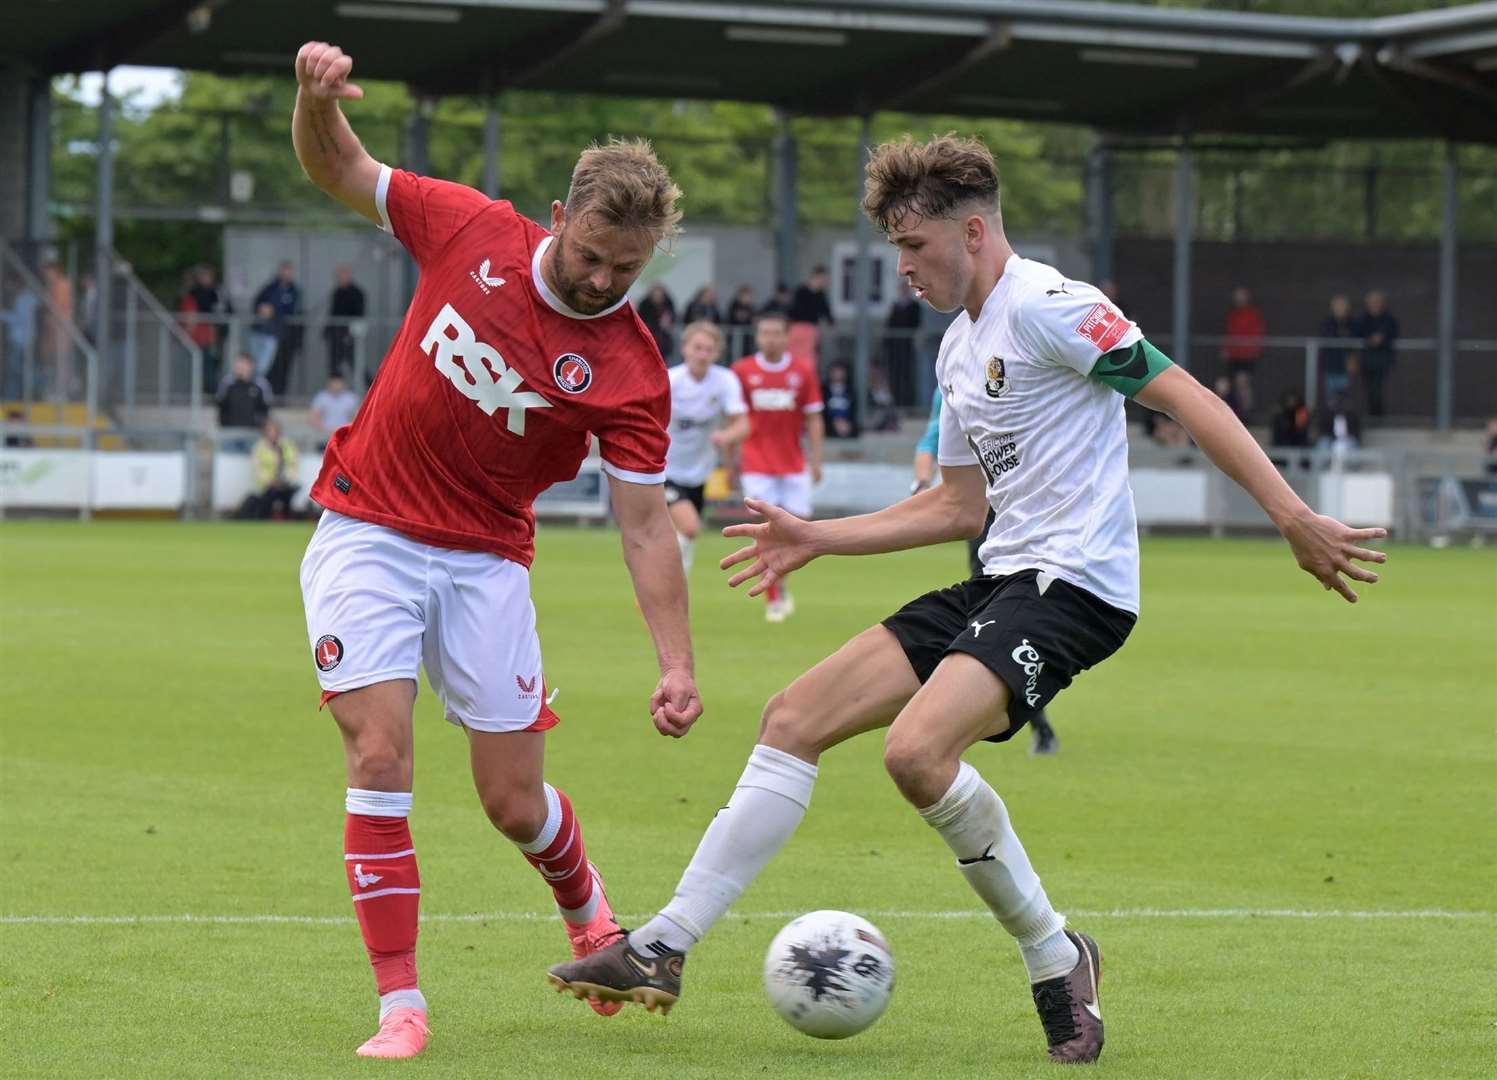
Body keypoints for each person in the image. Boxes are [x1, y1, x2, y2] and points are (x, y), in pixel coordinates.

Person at [548, 133, 1386, 1065]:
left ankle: (1054, 953)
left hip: (1076, 588)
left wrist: (1292, 516)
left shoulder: (1055, 308)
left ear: (975, 231)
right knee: (792, 717)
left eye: (913, 248)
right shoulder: (958, 349)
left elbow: (1184, 395)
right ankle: (662, 947)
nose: (900, 268)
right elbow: (956, 505)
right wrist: (819, 536)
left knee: (915, 753)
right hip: (1000, 578)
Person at [290, 40, 702, 1060]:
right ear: (558, 219)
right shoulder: (466, 225)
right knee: (379, 750)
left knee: (512, 801)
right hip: (368, 529)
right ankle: (402, 1004)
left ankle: (584, 901)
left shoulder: (634, 373)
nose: (602, 280)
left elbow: (646, 523)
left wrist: (678, 662)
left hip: (486, 564)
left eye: (625, 270)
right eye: (589, 255)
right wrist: (313, 100)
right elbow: (340, 166)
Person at [912, 386, 1059, 756]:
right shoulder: (952, 379)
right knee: (986, 610)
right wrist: (921, 481)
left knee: (1018, 616)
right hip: (982, 511)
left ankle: (1025, 716)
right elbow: (931, 437)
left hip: (1026, 510)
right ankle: (1030, 720)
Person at [729, 311, 824, 623]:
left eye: (775, 333)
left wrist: (816, 460)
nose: (770, 338)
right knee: (766, 533)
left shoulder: (802, 371)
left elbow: (813, 417)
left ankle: (780, 582)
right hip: (756, 463)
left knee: (799, 533)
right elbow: (734, 420)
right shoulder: (741, 371)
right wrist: (730, 464)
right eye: (764, 333)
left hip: (793, 463)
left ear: (786, 337)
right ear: (757, 336)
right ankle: (773, 596)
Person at [664, 321, 749, 575]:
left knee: (683, 535)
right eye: (697, 347)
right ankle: (667, 583)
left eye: (708, 349)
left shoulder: (724, 380)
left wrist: (727, 437)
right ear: (685, 348)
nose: (702, 354)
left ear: (717, 353)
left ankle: (671, 587)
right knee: (689, 528)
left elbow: (742, 425)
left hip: (700, 471)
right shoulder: (670, 380)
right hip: (666, 468)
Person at [255, 261, 302, 396]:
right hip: (268, 334)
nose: (286, 274)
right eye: (284, 270)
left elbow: (293, 310)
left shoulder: (294, 291)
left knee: (283, 368)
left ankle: (280, 395)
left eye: (289, 271)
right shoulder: (270, 288)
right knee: (266, 368)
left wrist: (274, 311)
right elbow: (257, 302)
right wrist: (262, 308)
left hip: (285, 336)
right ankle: (266, 395)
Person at [241, 417, 301, 519]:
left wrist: (287, 479)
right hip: (267, 485)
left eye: (275, 431)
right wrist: (270, 481)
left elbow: (293, 464)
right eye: (270, 431)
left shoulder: (287, 445)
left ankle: (286, 518)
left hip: (284, 483)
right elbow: (258, 469)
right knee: (268, 500)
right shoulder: (259, 447)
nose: (272, 434)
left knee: (288, 495)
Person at [1220, 285, 1265, 416]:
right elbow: (1228, 333)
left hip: (1246, 356)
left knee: (1243, 384)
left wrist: (1253, 350)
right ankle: (1235, 413)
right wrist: (1226, 349)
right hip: (1234, 355)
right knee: (1229, 385)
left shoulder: (1252, 315)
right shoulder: (1233, 314)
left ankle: (1246, 413)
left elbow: (1257, 334)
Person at [187, 265, 231, 389]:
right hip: (204, 335)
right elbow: (201, 308)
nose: (206, 279)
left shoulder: (218, 291)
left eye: (208, 276)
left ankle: (213, 388)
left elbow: (229, 308)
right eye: (203, 276)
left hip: (219, 333)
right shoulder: (196, 292)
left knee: (217, 362)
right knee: (206, 363)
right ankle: (209, 390)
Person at [1357, 290, 1398, 419]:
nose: (1375, 305)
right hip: (1367, 359)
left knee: (1379, 389)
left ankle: (1378, 417)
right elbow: (1359, 333)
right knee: (1370, 389)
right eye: (1372, 302)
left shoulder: (1389, 319)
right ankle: (1371, 415)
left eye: (1377, 302)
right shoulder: (1363, 319)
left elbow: (1393, 333)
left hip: (1382, 359)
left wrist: (1382, 338)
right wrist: (1370, 339)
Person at [1, 273, 39, 401]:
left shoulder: (24, 299)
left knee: (15, 370)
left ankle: (13, 397)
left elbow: (20, 319)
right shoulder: (28, 298)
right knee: (21, 369)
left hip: (20, 339)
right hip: (25, 338)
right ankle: (23, 395)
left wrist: (3, 315)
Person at [216, 352, 272, 436]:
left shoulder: (261, 384)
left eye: (243, 364)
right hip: (230, 432)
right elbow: (220, 404)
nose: (240, 367)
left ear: (251, 366)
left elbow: (266, 407)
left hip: (253, 432)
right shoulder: (227, 383)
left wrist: (258, 423)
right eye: (238, 364)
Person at [325, 265, 366, 377]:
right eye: (338, 276)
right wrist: (327, 330)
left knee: (355, 364)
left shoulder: (357, 293)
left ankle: (370, 386)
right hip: (336, 335)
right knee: (334, 365)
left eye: (342, 276)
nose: (339, 279)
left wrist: (349, 333)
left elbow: (359, 314)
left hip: (350, 335)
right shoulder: (337, 292)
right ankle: (335, 389)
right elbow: (333, 312)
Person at [787, 266, 833, 366]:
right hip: (797, 327)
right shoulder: (801, 291)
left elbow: (826, 312)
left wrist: (831, 322)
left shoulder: (821, 295)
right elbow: (792, 309)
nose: (824, 281)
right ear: (816, 276)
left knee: (808, 355)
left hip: (811, 328)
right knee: (792, 353)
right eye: (823, 278)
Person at [1317, 294, 1357, 405]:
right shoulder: (1327, 323)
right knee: (1331, 399)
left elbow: (1353, 340)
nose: (1340, 309)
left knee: (1345, 398)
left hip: (1346, 366)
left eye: (1343, 306)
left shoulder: (1352, 323)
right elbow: (1328, 336)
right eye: (1338, 306)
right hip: (1331, 365)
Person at [310, 371, 361, 448]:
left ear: (343, 383)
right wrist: (326, 431)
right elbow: (314, 418)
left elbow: (357, 418)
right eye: (334, 382)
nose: (336, 385)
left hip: (344, 437)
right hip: (325, 437)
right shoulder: (321, 397)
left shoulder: (351, 398)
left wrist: (346, 431)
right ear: (329, 383)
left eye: (338, 382)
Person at [637, 283, 677, 361]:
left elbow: (673, 315)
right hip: (649, 332)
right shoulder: (645, 304)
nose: (658, 297)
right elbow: (640, 319)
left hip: (665, 334)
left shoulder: (668, 303)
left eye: (660, 295)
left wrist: (669, 321)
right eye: (656, 295)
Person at [821, 360, 859, 439]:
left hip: (848, 427)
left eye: (840, 371)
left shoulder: (850, 391)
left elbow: (854, 411)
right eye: (835, 371)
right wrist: (834, 423)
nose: (838, 374)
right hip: (828, 427)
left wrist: (847, 424)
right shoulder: (823, 390)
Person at [725, 284, 758, 359]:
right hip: (734, 337)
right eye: (746, 295)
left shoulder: (750, 307)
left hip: (747, 338)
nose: (748, 298)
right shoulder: (734, 305)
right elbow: (731, 319)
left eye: (749, 296)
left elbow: (753, 319)